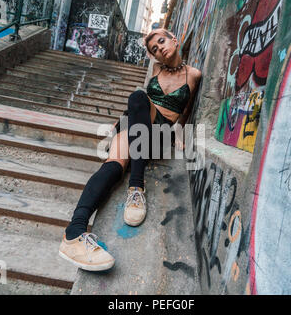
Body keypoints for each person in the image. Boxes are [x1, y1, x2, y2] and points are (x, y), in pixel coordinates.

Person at [58, 28, 202, 271]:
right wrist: (120, 123)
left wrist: (182, 131)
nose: (160, 49)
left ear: (174, 40)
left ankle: (136, 187)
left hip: (161, 132)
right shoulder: (156, 70)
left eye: (162, 42)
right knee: (114, 163)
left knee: (138, 99)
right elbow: (142, 103)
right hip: (138, 124)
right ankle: (74, 233)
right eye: (155, 49)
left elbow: (185, 112)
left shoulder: (194, 75)